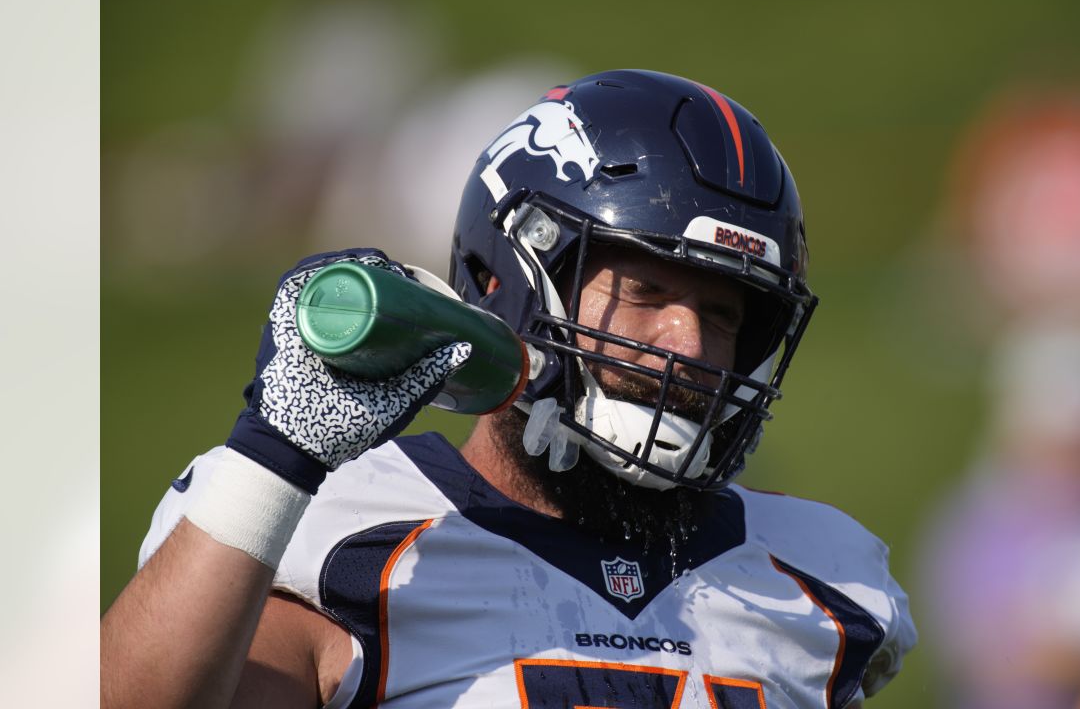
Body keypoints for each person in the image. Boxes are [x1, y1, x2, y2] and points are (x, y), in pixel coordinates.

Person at [101, 69, 916, 709]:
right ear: (507, 281)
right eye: (646, 294)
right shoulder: (354, 541)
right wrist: (273, 457)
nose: (691, 346)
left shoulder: (815, 582)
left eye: (723, 313)